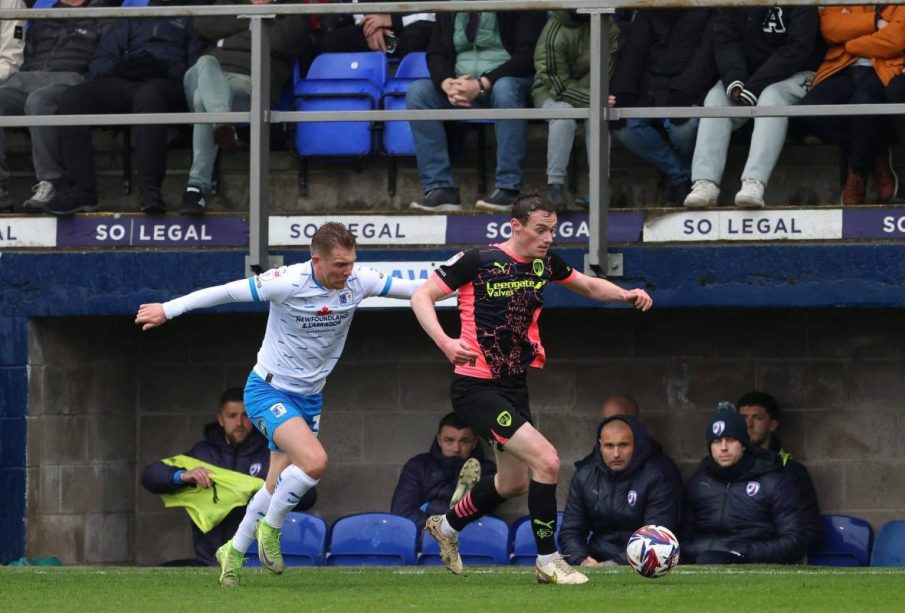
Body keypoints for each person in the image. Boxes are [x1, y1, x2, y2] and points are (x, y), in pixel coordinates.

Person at [135, 222, 421, 587]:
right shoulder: (286, 281)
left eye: (351, 262)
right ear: (316, 261)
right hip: (267, 391)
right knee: (314, 462)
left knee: (273, 485)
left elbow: (420, 289)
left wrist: (468, 279)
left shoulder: (359, 281)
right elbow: (225, 292)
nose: (347, 271)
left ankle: (233, 551)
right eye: (339, 264)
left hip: (310, 397)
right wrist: (168, 309)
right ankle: (270, 528)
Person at [410, 194, 653, 584]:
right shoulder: (478, 260)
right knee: (547, 460)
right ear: (516, 226)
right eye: (540, 230)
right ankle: (548, 559)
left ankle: (447, 526)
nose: (548, 238)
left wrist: (625, 294)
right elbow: (421, 296)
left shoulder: (544, 263)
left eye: (552, 230)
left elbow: (588, 286)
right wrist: (445, 342)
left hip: (514, 386)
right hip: (476, 387)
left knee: (514, 482)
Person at [46, 4, 196, 216]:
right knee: (73, 98)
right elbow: (99, 62)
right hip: (128, 80)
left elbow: (195, 69)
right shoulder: (134, 17)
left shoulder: (192, 16)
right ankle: (83, 191)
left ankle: (150, 190)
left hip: (169, 84)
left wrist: (165, 69)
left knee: (149, 96)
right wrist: (120, 67)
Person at [141, 387, 316, 566]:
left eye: (245, 416)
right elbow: (149, 476)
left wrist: (264, 491)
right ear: (221, 419)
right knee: (159, 573)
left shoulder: (271, 453)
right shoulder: (203, 453)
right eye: (232, 416)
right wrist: (181, 476)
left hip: (255, 561)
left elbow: (309, 496)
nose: (239, 423)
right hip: (208, 561)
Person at [407, 9, 546, 213]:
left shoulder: (519, 4)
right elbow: (436, 52)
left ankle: (508, 189)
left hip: (506, 83)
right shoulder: (451, 7)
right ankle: (440, 189)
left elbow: (527, 56)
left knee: (505, 88)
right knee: (418, 93)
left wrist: (482, 84)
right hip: (462, 86)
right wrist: (447, 83)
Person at [684, 5, 822, 209]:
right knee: (716, 99)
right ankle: (705, 183)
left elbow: (798, 48)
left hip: (800, 72)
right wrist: (735, 81)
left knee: (771, 98)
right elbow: (726, 39)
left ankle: (754, 182)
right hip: (749, 76)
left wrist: (754, 86)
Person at [181, 0, 309, 215]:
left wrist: (226, 40)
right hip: (208, 74)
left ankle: (196, 187)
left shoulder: (290, 10)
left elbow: (278, 41)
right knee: (206, 62)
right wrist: (256, 23)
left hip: (250, 84)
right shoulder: (230, 2)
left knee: (201, 98)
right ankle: (223, 123)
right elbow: (203, 23)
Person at [0, 0, 101, 214]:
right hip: (28, 78)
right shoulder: (45, 15)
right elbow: (26, 53)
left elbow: (104, 58)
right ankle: (1, 191)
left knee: (39, 100)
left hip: (70, 79)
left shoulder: (102, 15)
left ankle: (50, 183)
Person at [798, 5, 905, 206]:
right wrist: (874, 22)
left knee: (862, 106)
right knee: (811, 109)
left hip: (883, 68)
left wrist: (852, 43)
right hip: (841, 67)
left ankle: (858, 171)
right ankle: (874, 151)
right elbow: (830, 28)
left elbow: (897, 39)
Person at [609, 8, 716, 206]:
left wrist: (685, 91)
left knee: (684, 129)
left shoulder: (708, 9)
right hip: (649, 91)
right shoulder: (649, 11)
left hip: (690, 91)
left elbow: (706, 57)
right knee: (625, 128)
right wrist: (623, 93)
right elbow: (633, 55)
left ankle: (684, 181)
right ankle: (681, 176)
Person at [683, 403, 806, 564]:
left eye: (731, 440)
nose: (723, 448)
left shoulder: (772, 480)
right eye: (717, 441)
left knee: (710, 559)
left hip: (749, 561)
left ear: (743, 445)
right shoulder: (699, 482)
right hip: (700, 558)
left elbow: (794, 541)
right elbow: (683, 536)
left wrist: (746, 553)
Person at [560, 415, 682, 567]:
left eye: (623, 445)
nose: (616, 454)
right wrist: (582, 560)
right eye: (609, 446)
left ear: (636, 444)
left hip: (644, 563)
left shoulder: (658, 475)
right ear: (600, 445)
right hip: (595, 558)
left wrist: (612, 565)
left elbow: (656, 536)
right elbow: (571, 531)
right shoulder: (584, 475)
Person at [531, 9, 617, 212]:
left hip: (593, 92)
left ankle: (599, 190)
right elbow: (556, 84)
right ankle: (555, 187)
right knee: (564, 114)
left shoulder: (608, 26)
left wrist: (595, 98)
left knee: (599, 117)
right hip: (550, 93)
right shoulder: (554, 31)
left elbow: (607, 69)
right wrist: (592, 99)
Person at [736, 390, 823, 552]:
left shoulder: (793, 472)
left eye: (757, 418)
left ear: (772, 425)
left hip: (775, 556)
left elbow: (811, 531)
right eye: (743, 418)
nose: (748, 424)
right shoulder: (723, 468)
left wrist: (772, 551)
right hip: (730, 556)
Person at [390, 412, 497, 530]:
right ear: (439, 440)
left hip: (470, 535)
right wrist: (442, 527)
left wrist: (430, 507)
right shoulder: (418, 466)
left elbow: (480, 515)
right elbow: (402, 512)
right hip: (425, 535)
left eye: (464, 441)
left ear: (474, 442)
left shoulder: (486, 470)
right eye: (449, 441)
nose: (456, 449)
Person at [314, 0, 434, 59]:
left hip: (413, 26)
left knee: (415, 36)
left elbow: (436, 11)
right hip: (374, 25)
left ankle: (403, 93)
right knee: (330, 42)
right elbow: (355, 4)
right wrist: (370, 24)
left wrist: (392, 20)